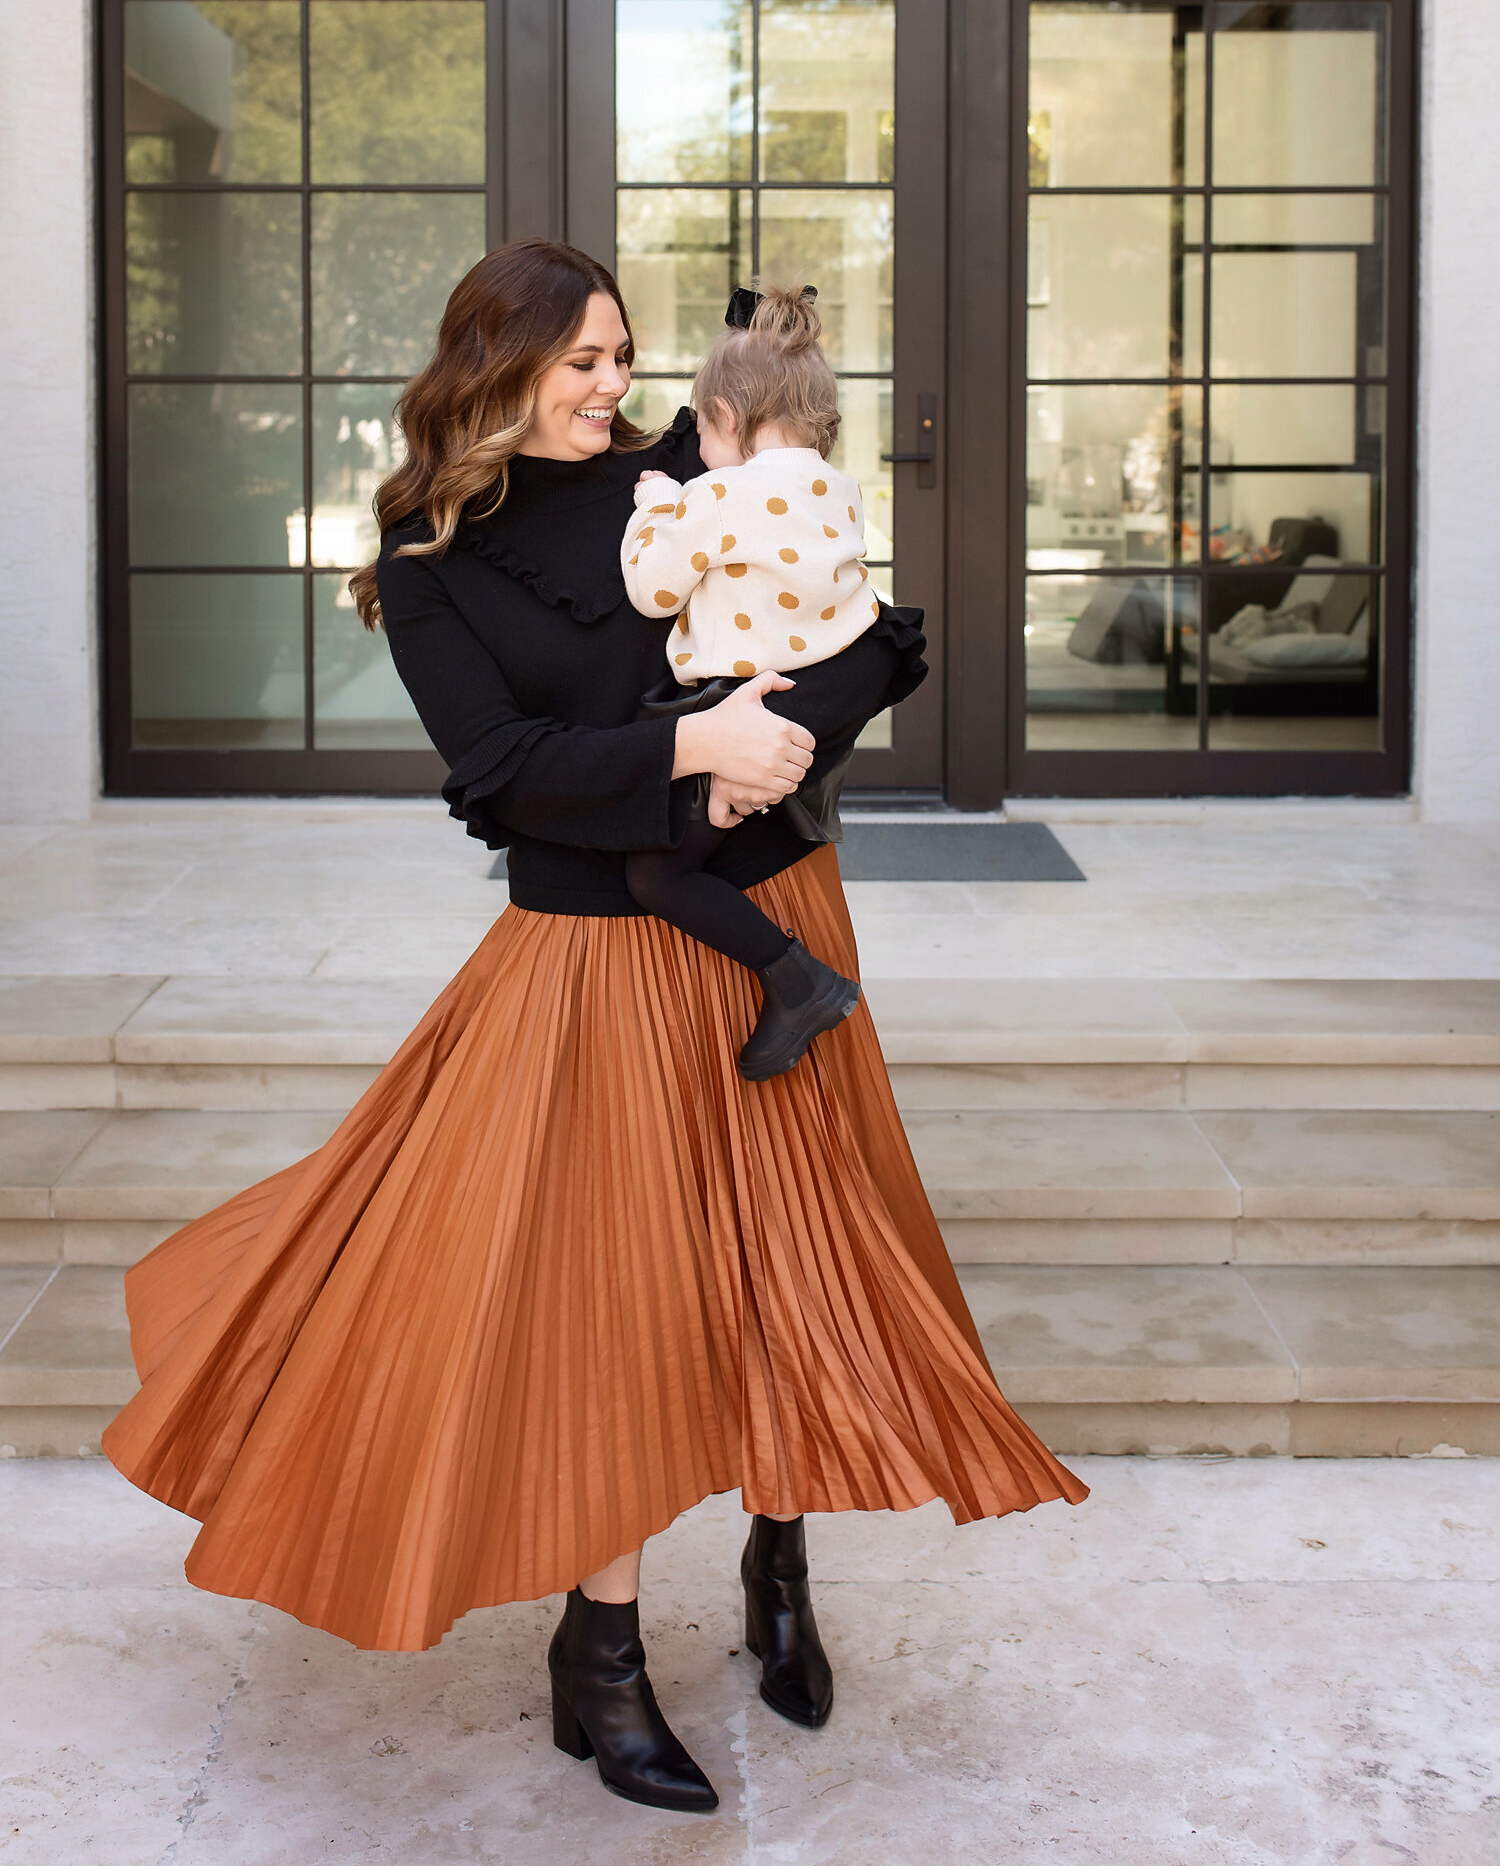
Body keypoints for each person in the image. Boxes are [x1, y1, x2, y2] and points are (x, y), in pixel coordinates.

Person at [103, 239, 1087, 1820]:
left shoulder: (687, 468)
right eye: (579, 362)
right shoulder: (432, 560)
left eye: (622, 353)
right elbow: (498, 766)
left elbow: (867, 633)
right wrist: (702, 735)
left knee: (787, 1257)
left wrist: (782, 733)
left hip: (778, 927)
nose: (612, 386)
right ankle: (604, 1649)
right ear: (491, 369)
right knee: (612, 1303)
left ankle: (781, 1557)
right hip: (592, 954)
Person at [620, 281, 882, 1082]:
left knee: (653, 873)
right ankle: (797, 974)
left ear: (726, 417)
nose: (696, 442)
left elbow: (651, 589)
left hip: (725, 706)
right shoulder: (839, 495)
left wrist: (656, 507)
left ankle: (799, 980)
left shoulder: (719, 493)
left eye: (699, 426)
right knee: (706, 823)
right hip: (812, 712)